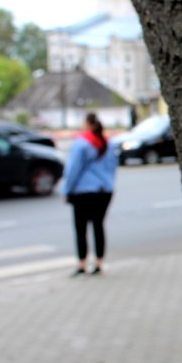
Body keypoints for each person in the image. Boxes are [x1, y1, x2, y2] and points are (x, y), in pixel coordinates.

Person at [61, 112, 118, 276]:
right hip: (104, 191)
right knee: (98, 225)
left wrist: (67, 190)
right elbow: (113, 167)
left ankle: (82, 263)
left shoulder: (81, 144)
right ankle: (99, 263)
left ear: (87, 124)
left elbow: (73, 170)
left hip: (83, 192)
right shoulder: (108, 143)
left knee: (81, 228)